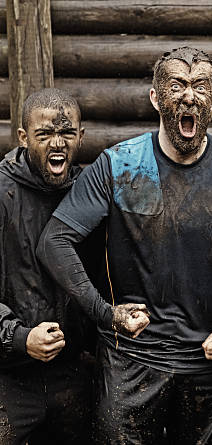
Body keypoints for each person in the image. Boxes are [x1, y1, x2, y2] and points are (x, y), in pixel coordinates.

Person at [37, 47, 212, 444]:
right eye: (177, 85)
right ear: (155, 98)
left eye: (201, 87)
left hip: (208, 365)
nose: (189, 97)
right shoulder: (121, 165)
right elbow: (54, 242)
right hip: (131, 361)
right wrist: (105, 313)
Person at [0, 88, 95, 444]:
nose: (57, 143)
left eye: (67, 133)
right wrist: (21, 338)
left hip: (74, 376)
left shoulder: (91, 192)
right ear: (23, 138)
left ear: (81, 136)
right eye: (44, 134)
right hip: (9, 377)